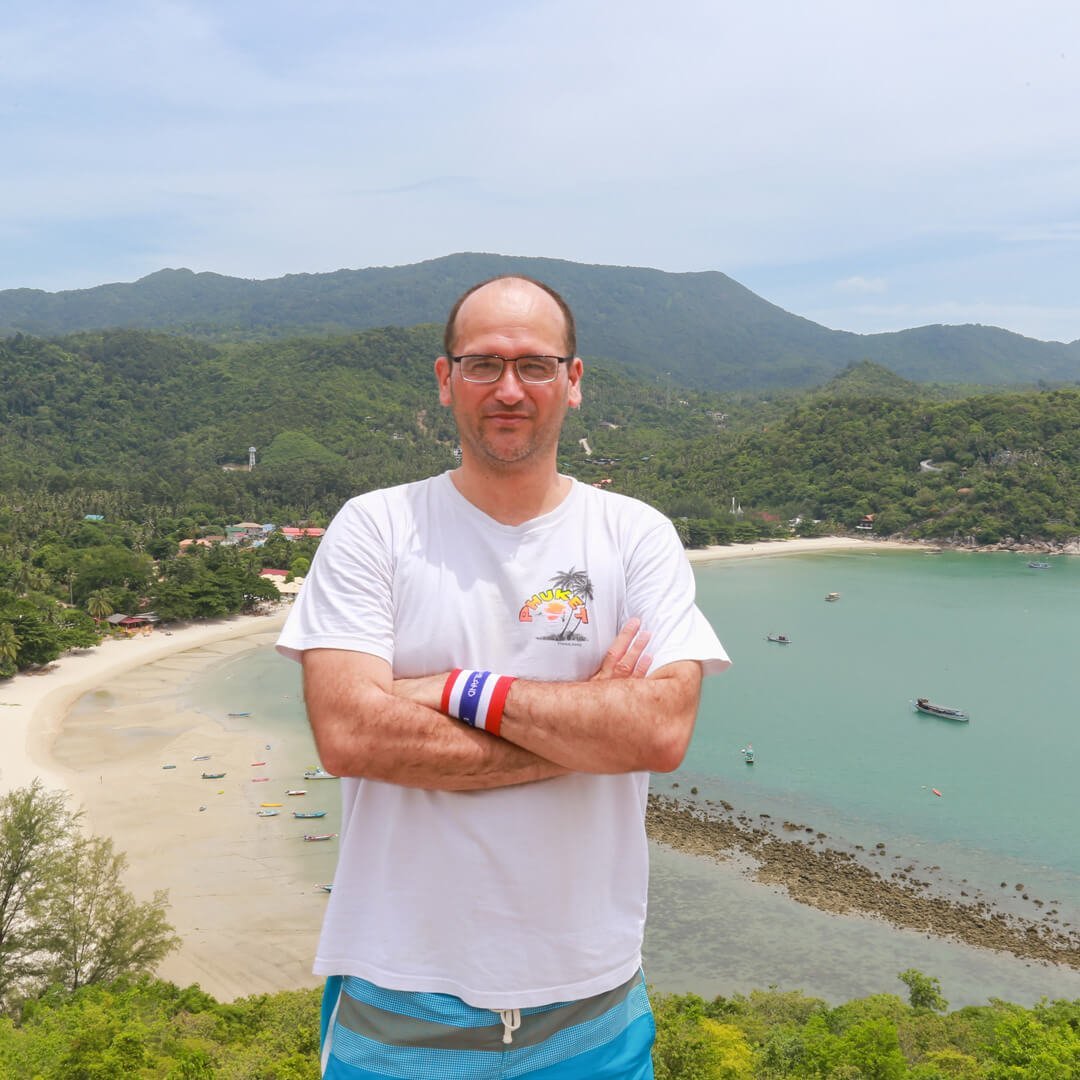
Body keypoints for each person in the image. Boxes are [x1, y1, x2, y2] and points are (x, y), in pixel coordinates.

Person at [277, 275, 729, 1079]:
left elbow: (660, 730)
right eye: (483, 364)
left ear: (574, 382)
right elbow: (349, 734)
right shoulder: (376, 526)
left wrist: (452, 691)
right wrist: (590, 728)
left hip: (591, 1007)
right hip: (400, 1000)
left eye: (535, 366)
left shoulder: (634, 535)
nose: (510, 389)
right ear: (446, 380)